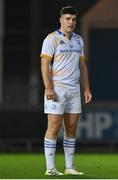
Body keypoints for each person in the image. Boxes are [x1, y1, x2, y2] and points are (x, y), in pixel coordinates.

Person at [40, 6, 92, 176]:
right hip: (57, 88)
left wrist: (86, 88)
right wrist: (48, 87)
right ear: (61, 20)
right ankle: (50, 168)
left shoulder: (79, 40)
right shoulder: (51, 39)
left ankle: (69, 167)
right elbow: (44, 64)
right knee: (54, 126)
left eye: (74, 19)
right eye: (68, 19)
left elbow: (82, 66)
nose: (71, 22)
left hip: (74, 89)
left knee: (71, 128)